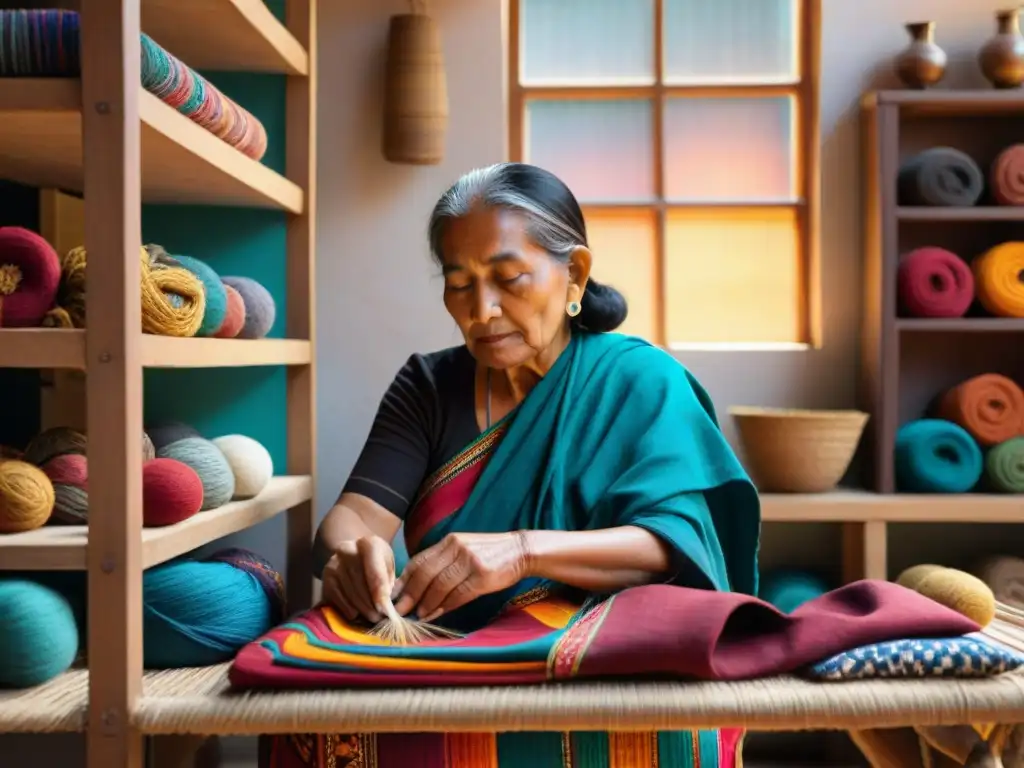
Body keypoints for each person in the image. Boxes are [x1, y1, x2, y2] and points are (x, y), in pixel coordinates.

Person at [261, 162, 761, 768]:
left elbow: (673, 545)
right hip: (452, 651)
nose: (482, 310)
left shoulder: (641, 382)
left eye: (508, 278)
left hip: (599, 658)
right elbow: (356, 517)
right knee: (304, 727)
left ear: (573, 273)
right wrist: (348, 555)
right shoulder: (428, 386)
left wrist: (522, 551)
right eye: (459, 283)